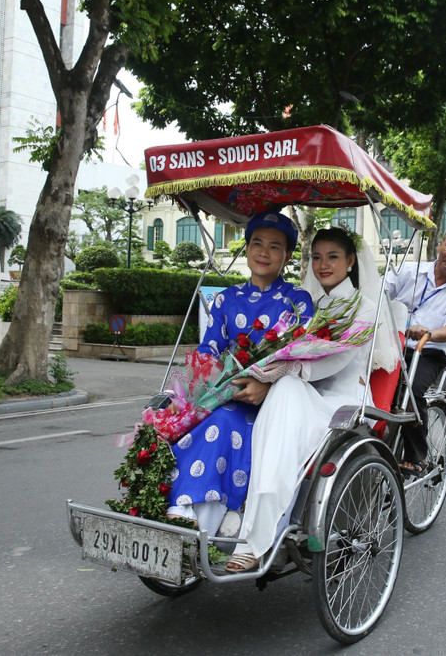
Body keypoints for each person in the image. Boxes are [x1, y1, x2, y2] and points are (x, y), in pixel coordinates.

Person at [225, 226, 390, 572]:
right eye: (316, 257)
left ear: (350, 262)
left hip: (345, 405)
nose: (323, 265)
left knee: (284, 390)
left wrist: (283, 372)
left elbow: (338, 358)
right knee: (270, 400)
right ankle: (243, 520)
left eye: (332, 257)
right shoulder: (310, 305)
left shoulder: (366, 306)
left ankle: (256, 538)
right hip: (305, 394)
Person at [166, 211, 314, 534]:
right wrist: (187, 393)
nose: (264, 252)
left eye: (275, 247)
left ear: (287, 256)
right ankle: (180, 513)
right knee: (175, 419)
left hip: (271, 403)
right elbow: (208, 352)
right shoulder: (225, 299)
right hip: (222, 394)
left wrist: (266, 387)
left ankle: (191, 518)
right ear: (245, 249)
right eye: (257, 244)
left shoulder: (298, 302)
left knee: (221, 421)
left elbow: (304, 358)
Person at [384, 224, 446, 473]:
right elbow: (380, 292)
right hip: (390, 344)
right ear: (439, 245)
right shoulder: (409, 271)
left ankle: (418, 456)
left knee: (411, 392)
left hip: (428, 352)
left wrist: (429, 332)